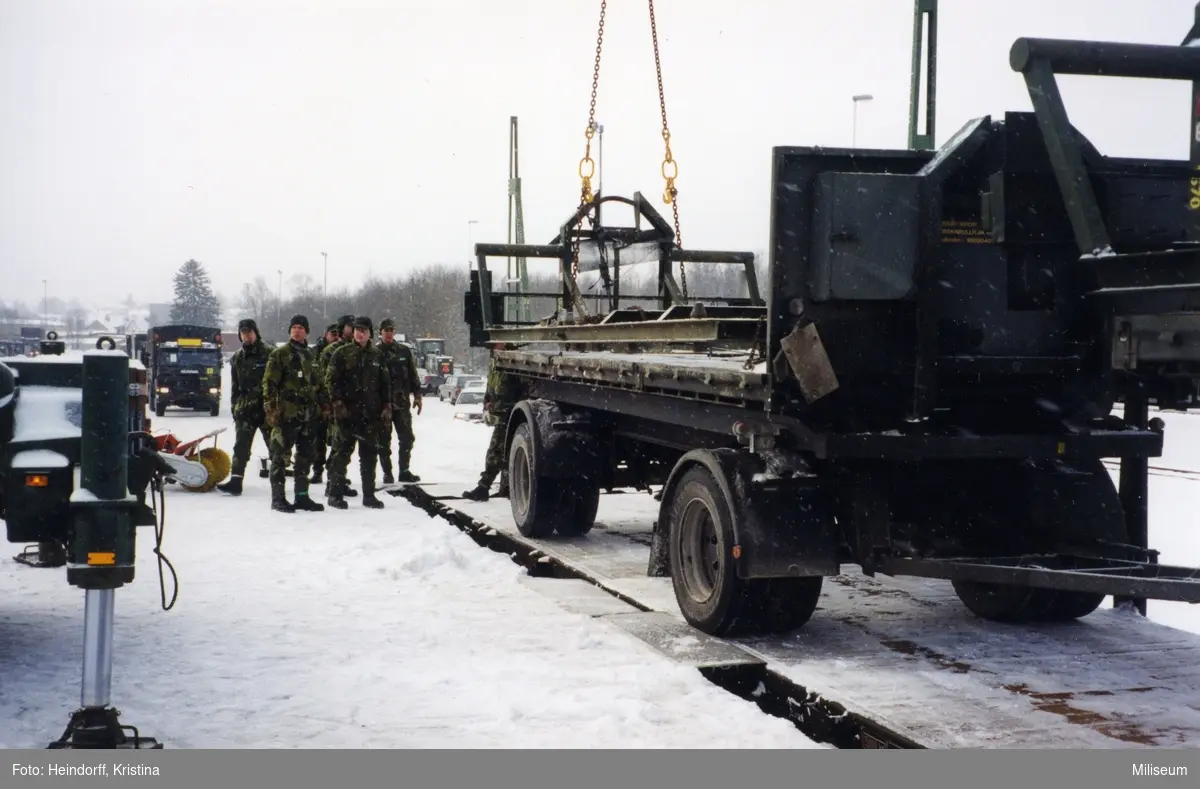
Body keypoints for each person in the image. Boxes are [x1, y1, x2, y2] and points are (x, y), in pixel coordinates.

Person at [324, 316, 390, 509]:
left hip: (371, 415)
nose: (360, 333)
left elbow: (385, 383)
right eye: (357, 330)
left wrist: (387, 406)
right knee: (341, 455)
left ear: (370, 333)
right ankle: (335, 494)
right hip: (347, 414)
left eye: (363, 330)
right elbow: (331, 380)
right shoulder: (342, 353)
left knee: (369, 457)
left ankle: (369, 495)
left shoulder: (377, 355)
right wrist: (337, 404)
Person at [262, 315, 326, 513]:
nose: (297, 331)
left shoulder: (312, 355)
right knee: (280, 458)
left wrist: (325, 406)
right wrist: (271, 409)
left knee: (305, 458)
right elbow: (269, 384)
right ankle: (278, 498)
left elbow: (320, 384)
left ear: (307, 331)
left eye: (300, 327)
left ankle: (302, 496)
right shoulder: (280, 354)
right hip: (286, 415)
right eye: (294, 327)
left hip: (308, 416)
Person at [217, 318, 271, 496]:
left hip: (267, 410)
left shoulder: (270, 353)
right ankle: (236, 481)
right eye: (243, 333)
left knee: (276, 447)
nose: (246, 336)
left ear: (256, 333)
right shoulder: (238, 357)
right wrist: (235, 407)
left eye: (249, 332)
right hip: (246, 410)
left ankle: (279, 481)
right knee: (241, 447)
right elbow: (235, 386)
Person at [462, 351, 525, 501]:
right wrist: (487, 400)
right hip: (501, 411)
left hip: (509, 411)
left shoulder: (512, 359)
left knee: (497, 450)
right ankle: (500, 487)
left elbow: (522, 387)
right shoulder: (495, 359)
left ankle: (486, 486)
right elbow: (492, 383)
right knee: (501, 450)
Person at [376, 318, 423, 484]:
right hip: (383, 405)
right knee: (383, 441)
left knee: (407, 438)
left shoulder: (404, 351)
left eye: (391, 330)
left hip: (402, 403)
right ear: (380, 332)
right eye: (385, 330)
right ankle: (387, 473)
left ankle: (404, 470)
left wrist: (417, 395)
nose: (388, 333)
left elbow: (412, 374)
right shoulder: (376, 352)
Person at [317, 314, 358, 497]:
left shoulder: (354, 349)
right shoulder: (332, 351)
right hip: (335, 407)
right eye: (351, 326)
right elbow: (324, 382)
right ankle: (332, 484)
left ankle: (339, 481)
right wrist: (329, 406)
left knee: (346, 447)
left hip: (352, 407)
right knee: (338, 447)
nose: (354, 329)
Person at [309, 322, 340, 485]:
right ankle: (317, 471)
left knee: (337, 440)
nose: (335, 337)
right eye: (332, 333)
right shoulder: (313, 353)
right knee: (318, 440)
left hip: (336, 402)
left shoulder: (340, 352)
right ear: (325, 334)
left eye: (337, 334)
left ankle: (335, 471)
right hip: (317, 403)